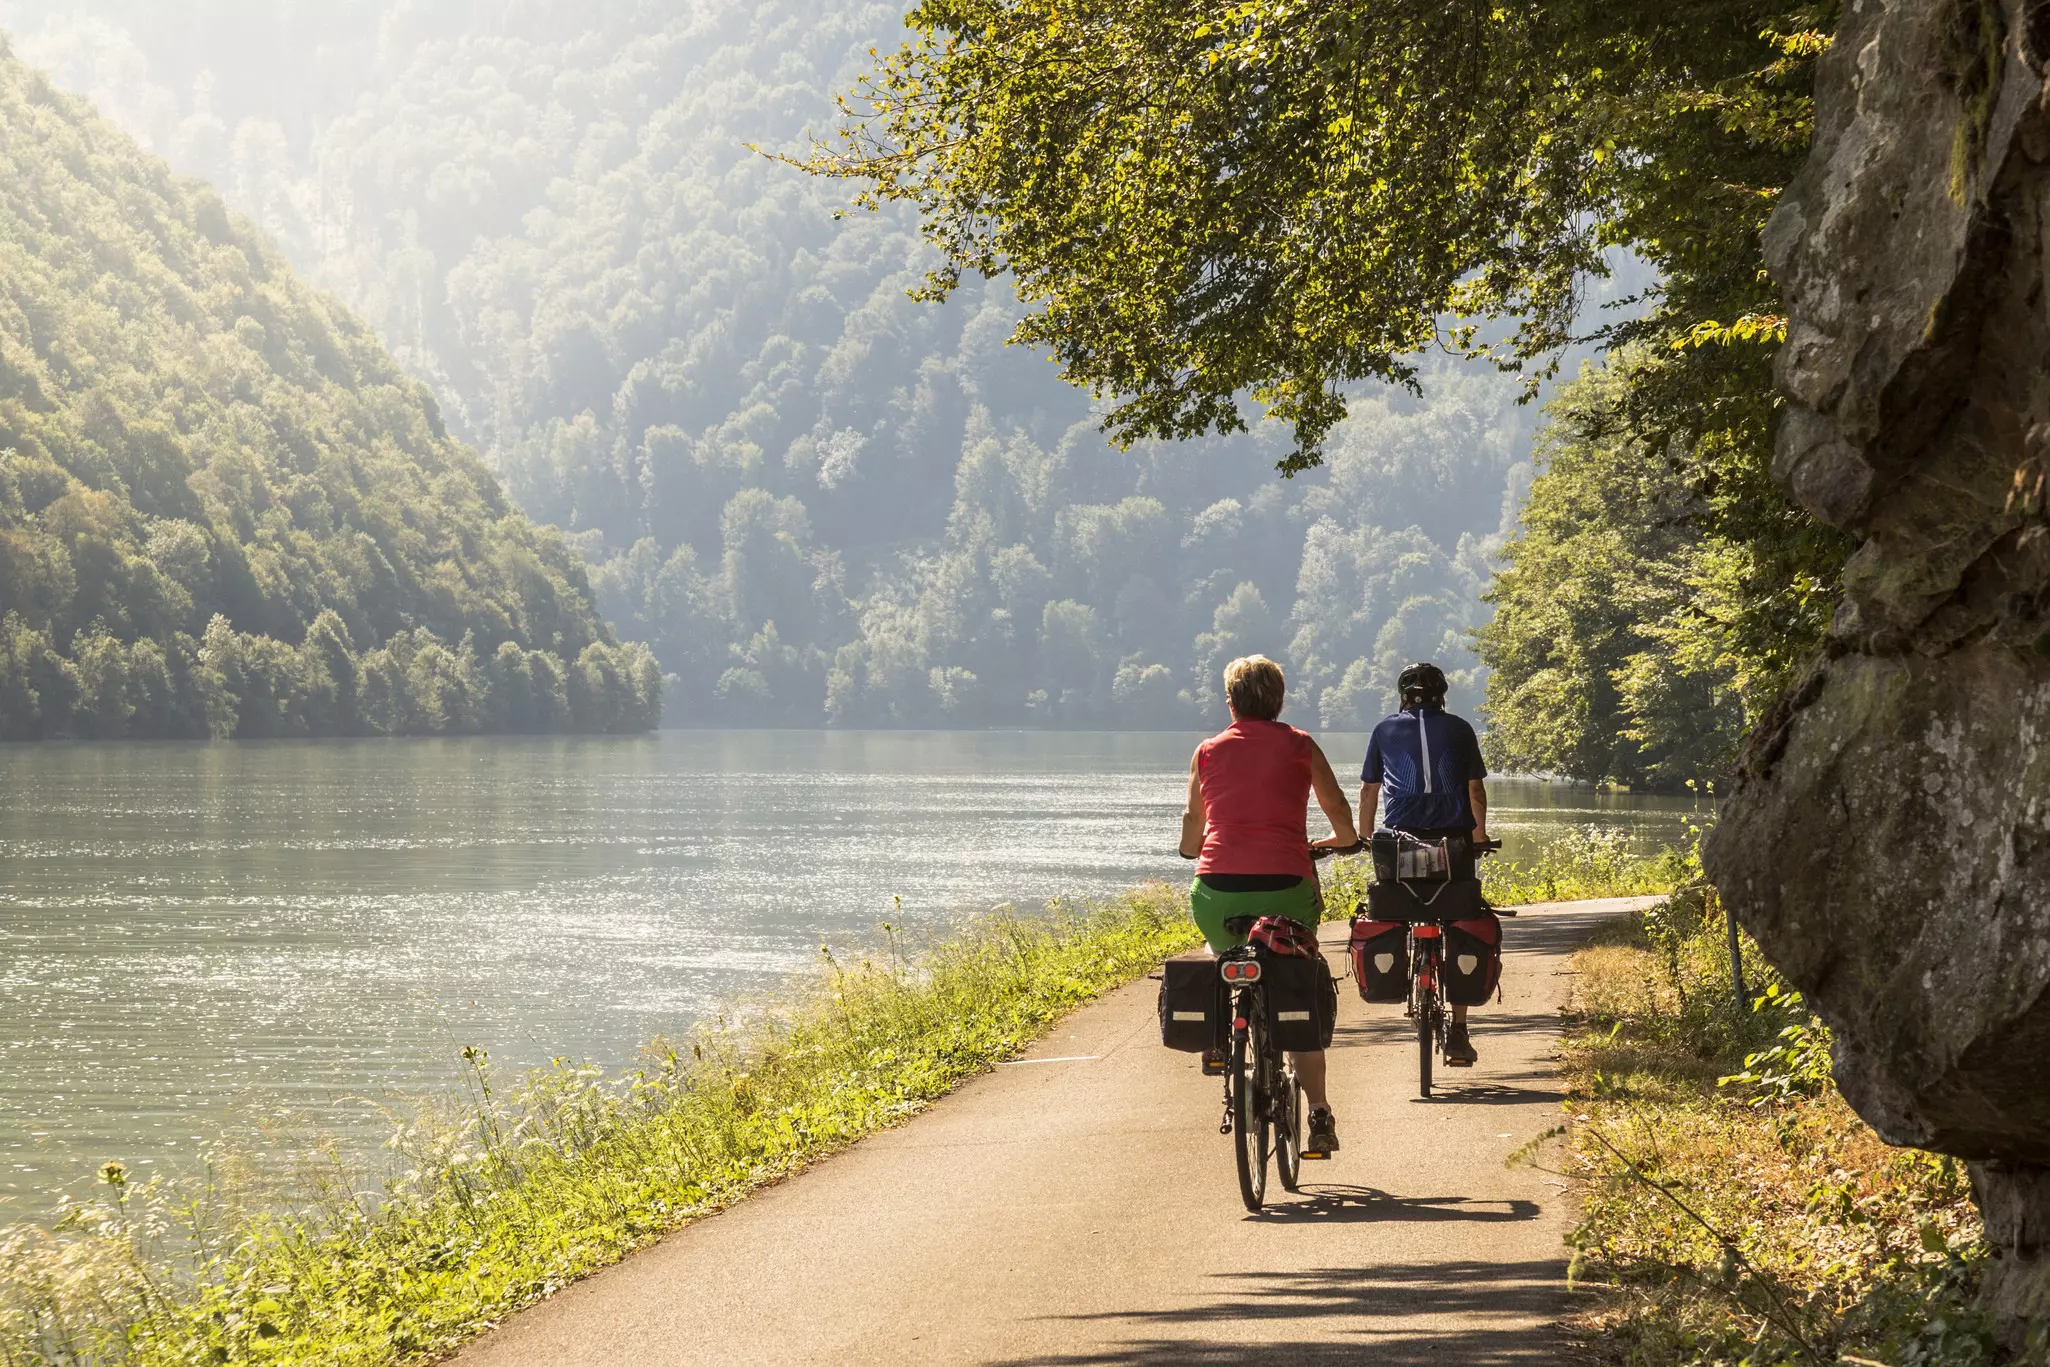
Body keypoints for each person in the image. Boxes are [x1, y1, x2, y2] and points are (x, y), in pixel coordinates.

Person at [1180, 655, 1359, 1155]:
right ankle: (1319, 1113)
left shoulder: (1208, 751)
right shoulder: (1300, 745)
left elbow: (1194, 820)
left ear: (1230, 702)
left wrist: (1193, 850)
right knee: (1295, 982)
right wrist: (1341, 840)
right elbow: (1338, 809)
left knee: (1226, 957)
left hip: (1217, 889)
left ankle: (1220, 1039)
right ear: (1278, 700)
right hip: (1286, 887)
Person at [1358, 661, 1492, 1065]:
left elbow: (1369, 790)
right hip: (1454, 844)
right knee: (1462, 921)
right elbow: (1474, 789)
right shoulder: (1461, 729)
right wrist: (1480, 836)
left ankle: (1406, 976)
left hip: (1399, 845)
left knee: (1398, 905)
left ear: (1402, 696)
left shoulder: (1384, 730)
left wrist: (1365, 838)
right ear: (1442, 696)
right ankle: (1460, 1030)